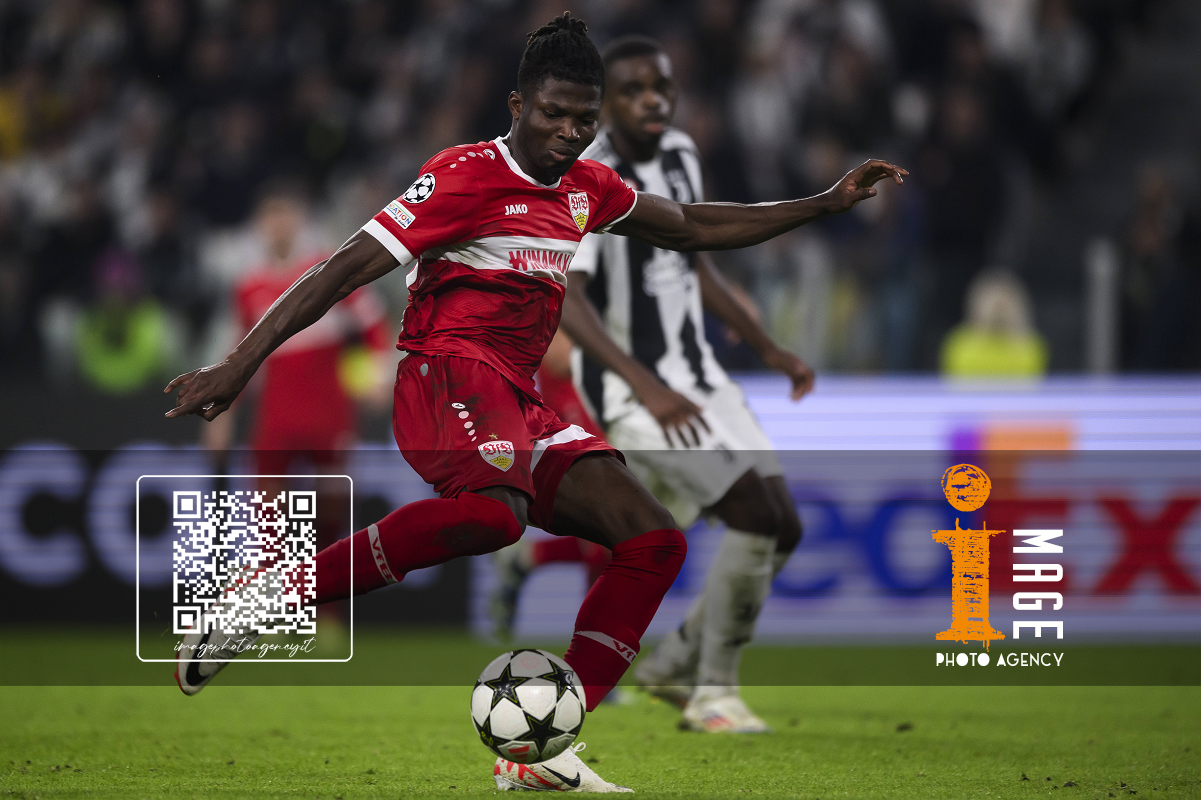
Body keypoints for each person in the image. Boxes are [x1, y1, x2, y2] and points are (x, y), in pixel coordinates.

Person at [165, 14, 905, 793]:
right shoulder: (461, 175)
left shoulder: (587, 188)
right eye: (553, 113)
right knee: (496, 516)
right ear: (518, 105)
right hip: (443, 373)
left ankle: (543, 748)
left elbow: (690, 225)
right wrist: (238, 363)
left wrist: (821, 203)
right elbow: (341, 269)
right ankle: (268, 598)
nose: (568, 132)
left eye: (584, 119)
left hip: (516, 398)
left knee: (653, 541)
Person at [564, 35, 815, 734]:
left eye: (662, 87)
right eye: (634, 90)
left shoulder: (679, 152)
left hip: (699, 375)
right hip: (633, 391)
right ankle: (713, 692)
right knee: (751, 514)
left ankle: (673, 665)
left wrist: (766, 346)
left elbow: (695, 260)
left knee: (784, 525)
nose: (653, 101)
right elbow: (568, 299)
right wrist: (643, 385)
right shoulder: (587, 176)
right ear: (605, 105)